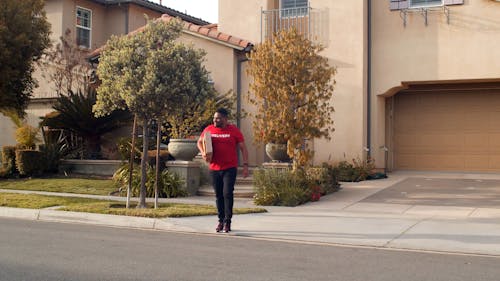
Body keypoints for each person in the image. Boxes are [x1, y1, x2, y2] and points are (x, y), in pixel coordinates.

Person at [197, 108, 249, 233]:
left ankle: (228, 222)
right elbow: (199, 142)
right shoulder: (209, 129)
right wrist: (203, 152)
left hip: (229, 168)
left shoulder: (234, 131)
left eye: (218, 118)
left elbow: (243, 148)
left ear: (225, 119)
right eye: (214, 118)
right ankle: (220, 221)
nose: (215, 120)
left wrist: (245, 165)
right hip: (214, 168)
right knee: (218, 195)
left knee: (227, 193)